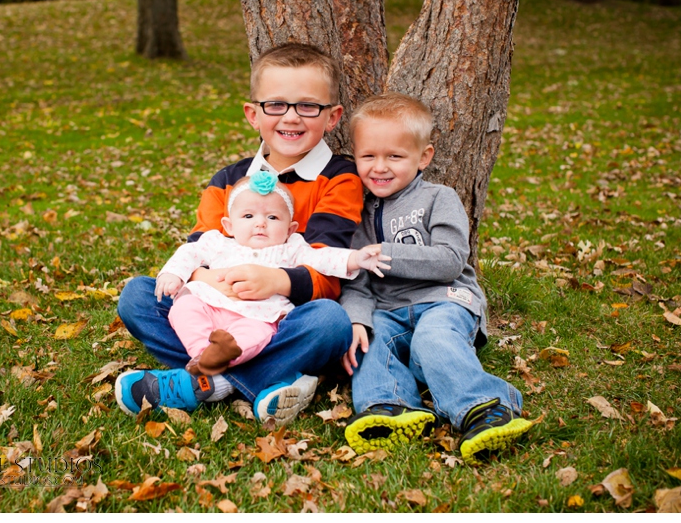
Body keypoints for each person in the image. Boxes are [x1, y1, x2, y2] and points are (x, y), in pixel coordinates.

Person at [115, 43, 364, 425]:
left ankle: (209, 384)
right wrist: (205, 278)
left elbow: (328, 273)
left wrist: (275, 280)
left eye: (308, 106)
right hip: (214, 306)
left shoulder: (340, 178)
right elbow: (200, 246)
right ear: (253, 113)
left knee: (330, 323)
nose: (292, 118)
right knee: (137, 296)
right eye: (276, 105)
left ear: (332, 117)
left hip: (281, 321)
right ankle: (265, 377)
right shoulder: (228, 180)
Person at [339, 93, 532, 465]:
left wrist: (384, 253)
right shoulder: (358, 214)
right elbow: (357, 280)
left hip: (445, 299)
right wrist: (357, 318)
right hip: (387, 309)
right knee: (368, 342)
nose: (380, 167)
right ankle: (388, 404)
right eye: (368, 156)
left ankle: (484, 406)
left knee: (434, 338)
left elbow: (449, 260)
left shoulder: (439, 198)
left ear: (423, 157)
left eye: (394, 156)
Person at [153, 173, 388, 378]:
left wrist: (355, 259)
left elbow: (322, 258)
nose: (260, 224)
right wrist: (174, 273)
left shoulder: (292, 247)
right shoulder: (218, 242)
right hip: (210, 305)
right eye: (248, 216)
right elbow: (189, 252)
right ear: (230, 225)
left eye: (272, 217)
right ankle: (202, 355)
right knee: (181, 307)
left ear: (290, 229)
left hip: (258, 315)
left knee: (258, 335)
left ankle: (218, 364)